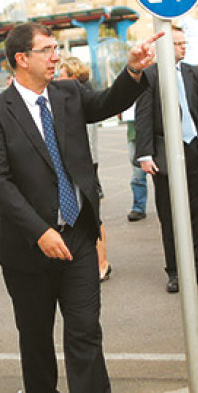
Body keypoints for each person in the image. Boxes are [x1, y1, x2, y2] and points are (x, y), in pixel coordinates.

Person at [0, 23, 159, 393]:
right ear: (22, 58)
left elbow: (109, 101)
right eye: (48, 50)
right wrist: (39, 231)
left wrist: (133, 71)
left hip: (77, 238)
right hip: (28, 249)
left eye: (57, 48)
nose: (56, 56)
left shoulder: (69, 95)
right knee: (36, 338)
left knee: (85, 334)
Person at [135, 27, 198, 293]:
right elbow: (144, 116)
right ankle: (174, 272)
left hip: (195, 150)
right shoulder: (150, 76)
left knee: (196, 214)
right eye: (178, 44)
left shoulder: (194, 73)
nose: (184, 47)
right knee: (170, 216)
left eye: (185, 42)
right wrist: (145, 154)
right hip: (165, 156)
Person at [58, 56, 111, 282]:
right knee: (90, 215)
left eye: (61, 74)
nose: (57, 78)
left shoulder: (79, 96)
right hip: (86, 164)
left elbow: (85, 137)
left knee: (93, 217)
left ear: (71, 75)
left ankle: (102, 263)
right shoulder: (77, 93)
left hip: (85, 165)